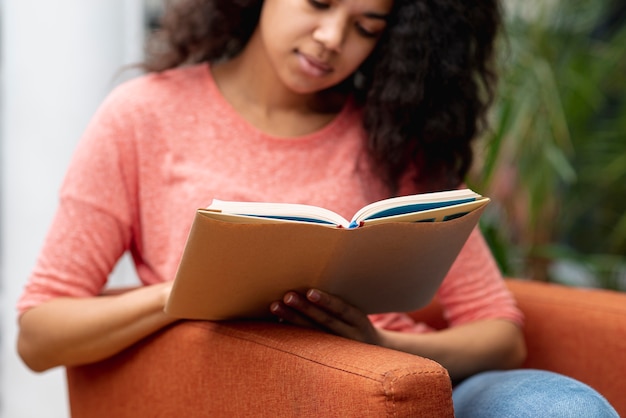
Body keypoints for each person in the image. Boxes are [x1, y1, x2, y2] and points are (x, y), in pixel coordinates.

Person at [16, 0, 618, 416]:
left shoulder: (393, 135)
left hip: (424, 395)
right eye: (319, 2)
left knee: (564, 409)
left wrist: (386, 347)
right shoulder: (142, 117)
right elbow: (39, 336)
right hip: (269, 398)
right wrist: (181, 293)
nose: (333, 40)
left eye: (367, 25)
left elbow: (500, 334)